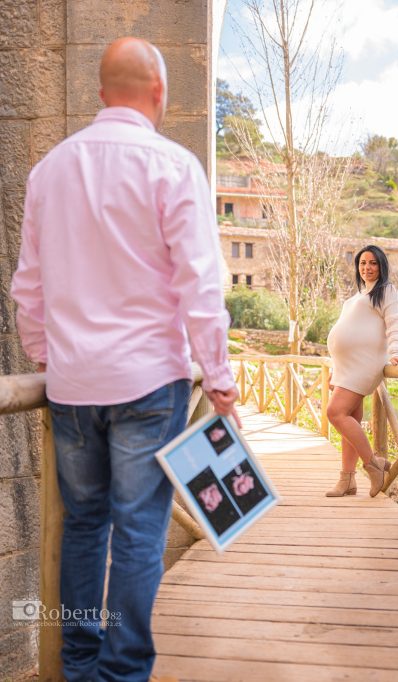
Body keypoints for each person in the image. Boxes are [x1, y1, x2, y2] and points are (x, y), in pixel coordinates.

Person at [11, 37, 239, 682]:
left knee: (85, 526)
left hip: (72, 386)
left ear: (101, 93)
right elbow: (200, 287)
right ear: (159, 92)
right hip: (148, 382)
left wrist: (49, 359)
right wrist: (220, 380)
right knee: (139, 531)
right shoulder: (174, 166)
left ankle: (79, 665)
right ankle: (122, 672)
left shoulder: (50, 170)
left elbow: (28, 287)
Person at [325, 245, 398, 498]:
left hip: (364, 364)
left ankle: (373, 465)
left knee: (335, 412)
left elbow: (395, 322)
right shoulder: (355, 298)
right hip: (346, 367)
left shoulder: (386, 291)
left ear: (381, 266)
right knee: (350, 419)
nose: (367, 268)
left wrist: (397, 350)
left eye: (372, 263)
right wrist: (335, 368)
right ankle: (347, 480)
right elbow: (344, 332)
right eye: (362, 263)